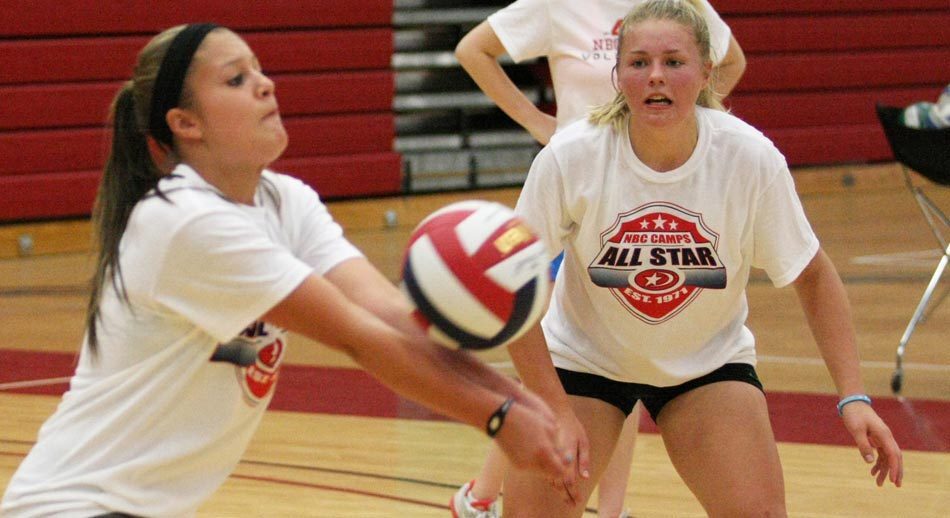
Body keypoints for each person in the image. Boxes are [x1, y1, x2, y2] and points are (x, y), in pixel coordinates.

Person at [0, 24, 574, 518]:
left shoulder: (284, 200)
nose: (265, 84)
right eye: (235, 80)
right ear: (186, 124)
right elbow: (359, 338)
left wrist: (520, 402)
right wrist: (497, 417)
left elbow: (395, 320)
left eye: (259, 70)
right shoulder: (181, 222)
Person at [498, 0, 904, 516]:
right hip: (582, 363)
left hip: (707, 366)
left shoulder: (748, 158)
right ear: (618, 75)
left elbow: (814, 277)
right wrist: (553, 408)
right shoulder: (571, 155)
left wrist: (854, 397)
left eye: (674, 61)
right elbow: (515, 284)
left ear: (707, 72)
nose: (656, 77)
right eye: (639, 63)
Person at [452, 1, 745, 516]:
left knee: (626, 352)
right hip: (580, 199)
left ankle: (606, 508)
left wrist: (689, 124)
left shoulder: (676, 7)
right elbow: (472, 50)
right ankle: (483, 496)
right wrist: (538, 123)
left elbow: (730, 59)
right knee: (565, 360)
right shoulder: (558, 4)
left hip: (648, 196)